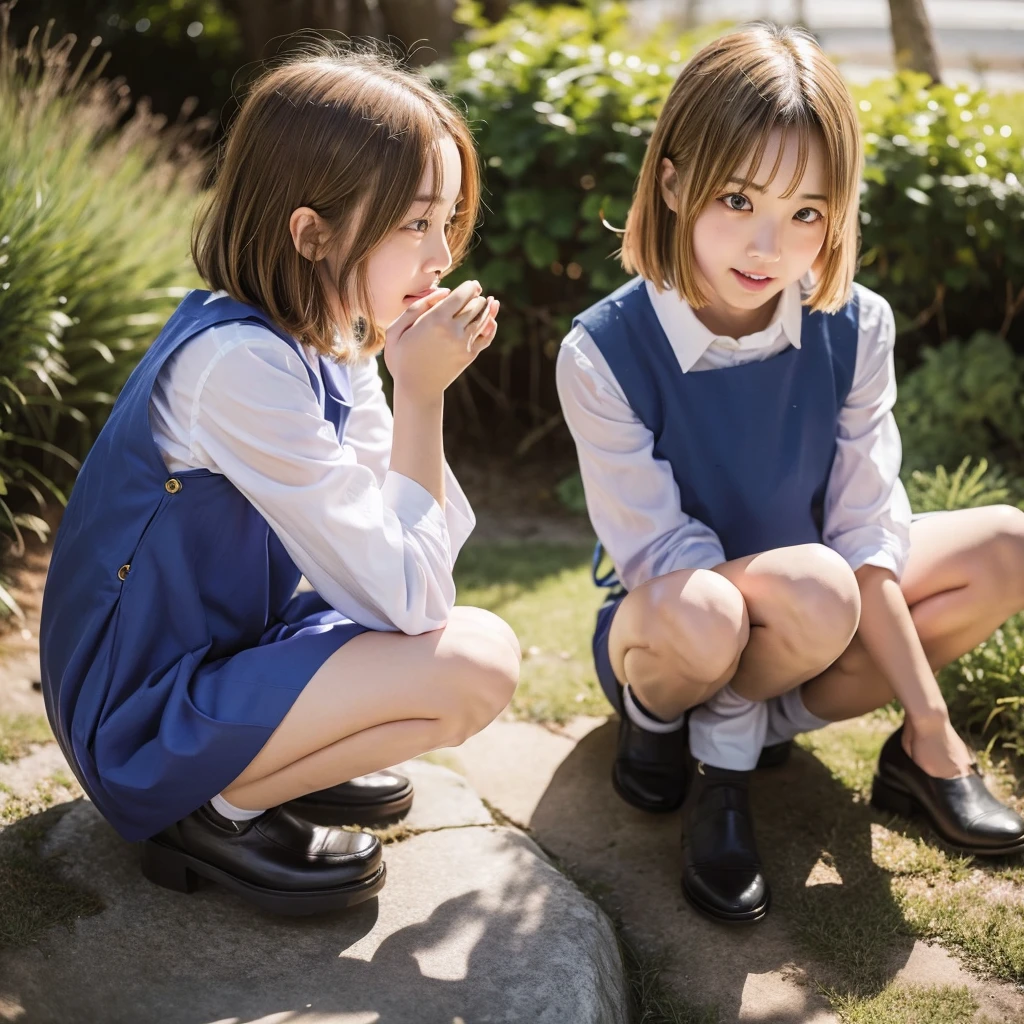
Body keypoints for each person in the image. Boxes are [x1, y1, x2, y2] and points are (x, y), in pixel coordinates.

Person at [556, 23, 1024, 926]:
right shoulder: (602, 351)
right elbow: (662, 553)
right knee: (745, 601)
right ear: (674, 181)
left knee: (1005, 546)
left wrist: (932, 727)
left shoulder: (858, 326)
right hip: (671, 630)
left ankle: (851, 759)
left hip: (820, 609)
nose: (768, 246)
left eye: (807, 212)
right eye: (737, 198)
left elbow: (866, 531)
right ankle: (671, 733)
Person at [39, 50, 521, 916]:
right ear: (313, 233)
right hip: (140, 715)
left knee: (460, 660)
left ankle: (249, 781)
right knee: (472, 662)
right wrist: (422, 393)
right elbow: (415, 599)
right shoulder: (239, 364)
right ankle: (210, 812)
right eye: (416, 224)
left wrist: (409, 390)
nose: (443, 255)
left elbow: (427, 555)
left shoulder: (329, 339)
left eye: (448, 221)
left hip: (220, 652)